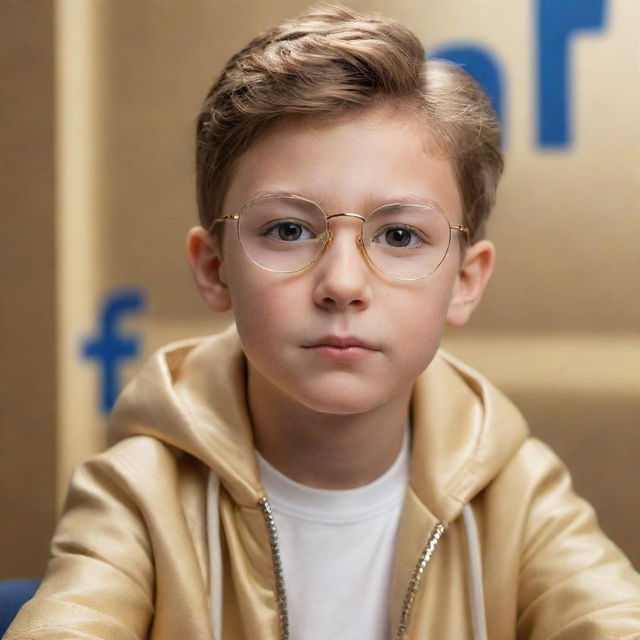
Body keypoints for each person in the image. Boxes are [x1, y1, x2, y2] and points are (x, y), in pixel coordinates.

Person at [6, 4, 640, 639]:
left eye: (398, 234)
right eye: (287, 229)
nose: (341, 284)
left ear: (464, 282)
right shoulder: (139, 495)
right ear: (214, 267)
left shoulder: (518, 495)